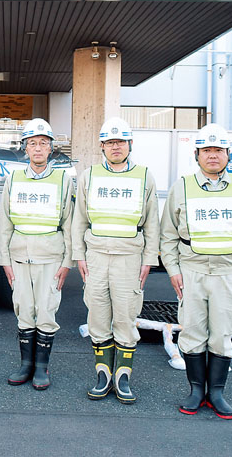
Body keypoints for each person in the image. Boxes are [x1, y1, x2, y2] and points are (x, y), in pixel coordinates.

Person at [160, 123, 232, 420]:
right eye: (207, 150)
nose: (213, 156)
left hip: (230, 272)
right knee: (192, 332)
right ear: (197, 155)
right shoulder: (181, 187)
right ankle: (196, 391)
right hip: (191, 271)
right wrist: (173, 270)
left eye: (218, 150)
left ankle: (216, 393)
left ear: (227, 155)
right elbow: (167, 235)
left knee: (222, 333)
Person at [71, 117, 159, 404]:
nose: (116, 147)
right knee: (97, 316)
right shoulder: (89, 176)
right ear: (102, 147)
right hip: (96, 257)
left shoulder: (144, 176)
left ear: (130, 145)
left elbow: (152, 225)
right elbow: (79, 220)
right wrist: (79, 255)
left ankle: (123, 376)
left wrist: (149, 259)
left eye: (120, 142)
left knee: (125, 316)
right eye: (110, 142)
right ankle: (103, 375)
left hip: (129, 258)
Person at [0, 118, 73, 390]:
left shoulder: (63, 180)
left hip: (50, 259)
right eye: (32, 143)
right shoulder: (14, 178)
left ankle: (42, 367)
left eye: (43, 143)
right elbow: (4, 222)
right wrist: (3, 260)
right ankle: (25, 365)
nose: (38, 148)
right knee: (24, 311)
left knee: (47, 311)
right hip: (18, 258)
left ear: (51, 148)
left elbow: (69, 223)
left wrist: (67, 263)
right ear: (25, 148)